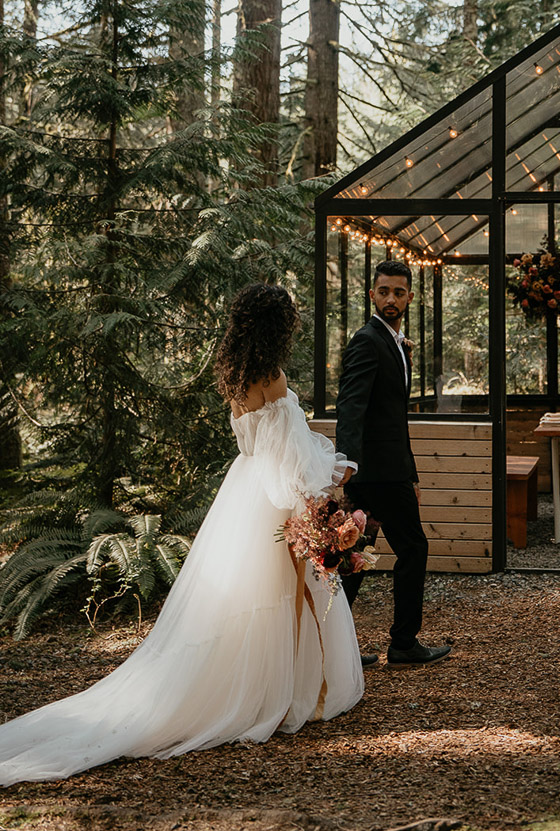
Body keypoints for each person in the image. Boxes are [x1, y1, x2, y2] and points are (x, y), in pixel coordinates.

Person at [0, 283, 363, 787]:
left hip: (244, 491)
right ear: (279, 327)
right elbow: (292, 460)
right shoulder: (271, 376)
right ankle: (285, 695)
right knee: (289, 592)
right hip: (274, 500)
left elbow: (259, 445)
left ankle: (266, 686)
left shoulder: (235, 372)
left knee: (252, 599)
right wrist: (327, 485)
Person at [336, 259, 451, 666]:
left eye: (399, 293)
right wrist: (346, 461)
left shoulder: (395, 342)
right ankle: (403, 643)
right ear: (372, 294)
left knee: (354, 558)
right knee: (413, 549)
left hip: (389, 471)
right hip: (375, 474)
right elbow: (351, 405)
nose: (391, 299)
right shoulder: (367, 340)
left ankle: (333, 647)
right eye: (384, 291)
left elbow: (394, 419)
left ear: (410, 298)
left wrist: (413, 473)